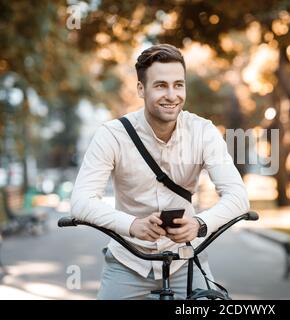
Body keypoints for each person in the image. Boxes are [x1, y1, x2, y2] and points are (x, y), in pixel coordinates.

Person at [70, 44, 250, 299]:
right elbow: (81, 201)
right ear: (141, 89)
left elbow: (238, 196)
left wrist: (199, 225)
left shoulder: (203, 131)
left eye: (178, 85)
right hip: (127, 262)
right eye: (160, 85)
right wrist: (133, 225)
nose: (172, 94)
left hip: (185, 260)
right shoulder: (111, 135)